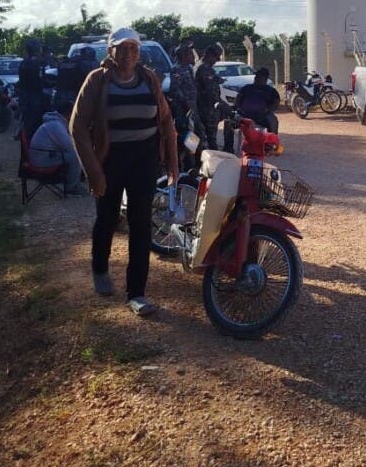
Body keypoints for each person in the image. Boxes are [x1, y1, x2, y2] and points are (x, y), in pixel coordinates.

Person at [70, 27, 178, 316]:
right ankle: (100, 268)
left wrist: (172, 163)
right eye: (123, 47)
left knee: (141, 223)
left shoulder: (148, 79)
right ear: (111, 51)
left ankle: (136, 293)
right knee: (106, 217)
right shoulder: (98, 80)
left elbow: (166, 119)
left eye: (134, 48)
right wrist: (94, 171)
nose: (129, 53)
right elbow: (78, 127)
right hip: (111, 159)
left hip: (143, 159)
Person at [29, 101, 88, 195]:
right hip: (42, 159)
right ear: (68, 114)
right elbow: (69, 147)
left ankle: (75, 180)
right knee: (76, 155)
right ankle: (71, 187)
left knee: (75, 153)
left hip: (43, 155)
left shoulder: (56, 123)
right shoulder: (56, 125)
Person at [195, 44, 227, 151]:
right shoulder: (205, 68)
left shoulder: (199, 65)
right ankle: (214, 158)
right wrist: (222, 105)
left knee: (203, 136)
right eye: (216, 57)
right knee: (211, 137)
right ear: (209, 55)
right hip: (208, 107)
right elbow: (211, 91)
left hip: (201, 105)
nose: (216, 60)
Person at [235, 67, 280, 133]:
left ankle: (270, 141)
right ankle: (228, 143)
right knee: (229, 122)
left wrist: (268, 110)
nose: (256, 78)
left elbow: (276, 104)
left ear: (265, 78)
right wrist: (239, 108)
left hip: (262, 116)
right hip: (244, 114)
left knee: (273, 122)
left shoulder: (271, 91)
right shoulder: (246, 88)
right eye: (256, 76)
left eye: (259, 76)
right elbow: (237, 100)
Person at [18, 39, 45, 137]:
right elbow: (39, 81)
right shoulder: (37, 63)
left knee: (26, 120)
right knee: (35, 121)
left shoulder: (23, 63)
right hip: (34, 96)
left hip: (24, 95)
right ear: (36, 49)